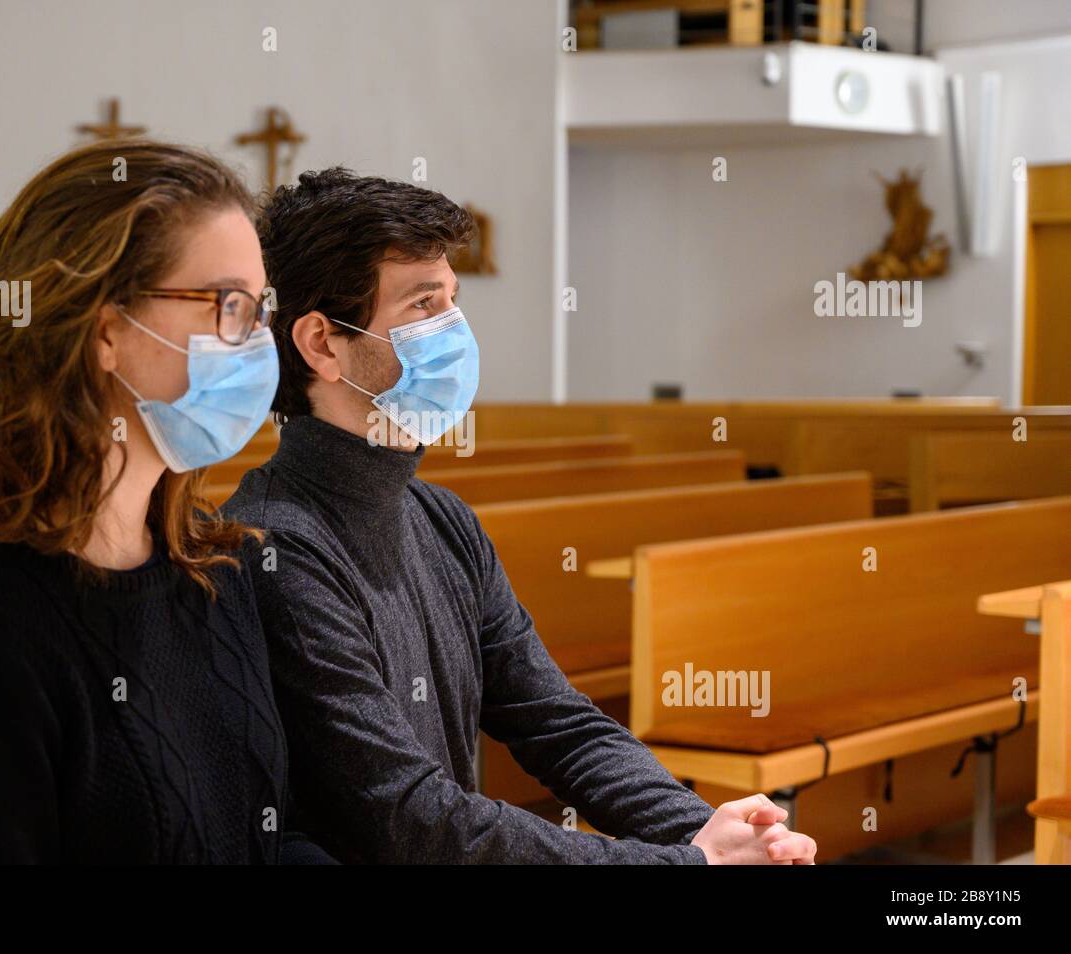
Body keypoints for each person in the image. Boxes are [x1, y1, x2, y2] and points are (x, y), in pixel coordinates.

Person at [224, 168, 819, 864]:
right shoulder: (277, 547)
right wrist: (684, 865)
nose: (453, 330)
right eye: (422, 305)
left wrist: (703, 829)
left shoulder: (441, 519)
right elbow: (409, 816)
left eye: (453, 301)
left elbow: (556, 722)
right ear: (322, 343)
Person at [0, 140, 330, 864]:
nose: (259, 341)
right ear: (106, 328)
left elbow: (273, 838)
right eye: (230, 305)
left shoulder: (215, 569)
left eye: (259, 307)